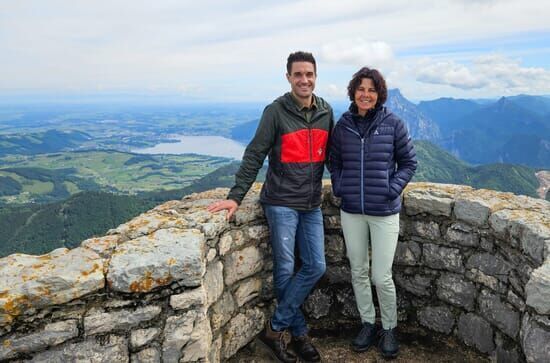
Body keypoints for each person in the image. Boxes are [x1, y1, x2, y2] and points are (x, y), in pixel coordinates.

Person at [207, 51, 334, 363]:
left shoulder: (326, 111)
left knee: (316, 266)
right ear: (288, 77)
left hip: (311, 203)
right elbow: (254, 154)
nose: (304, 80)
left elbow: (333, 156)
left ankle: (275, 328)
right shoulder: (275, 112)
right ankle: (300, 336)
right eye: (298, 74)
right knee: (286, 268)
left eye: (309, 74)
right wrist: (236, 196)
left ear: (316, 76)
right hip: (280, 203)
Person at [329, 67, 416, 359]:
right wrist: (340, 186)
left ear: (379, 94)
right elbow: (335, 161)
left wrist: (392, 189)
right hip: (352, 210)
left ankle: (389, 327)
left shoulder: (393, 123)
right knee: (358, 271)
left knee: (381, 275)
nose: (366, 94)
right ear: (353, 92)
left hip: (384, 212)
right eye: (361, 89)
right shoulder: (343, 125)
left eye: (372, 90)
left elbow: (408, 163)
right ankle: (367, 322)